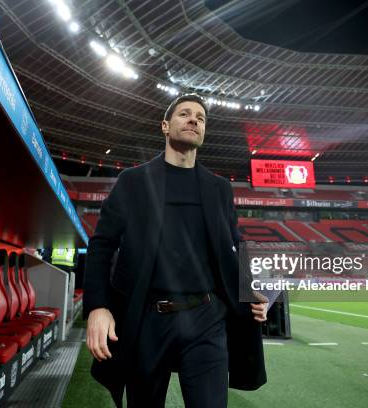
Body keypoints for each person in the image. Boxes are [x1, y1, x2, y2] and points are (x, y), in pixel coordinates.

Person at [83, 93, 268, 408]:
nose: (194, 119)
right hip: (147, 319)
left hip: (207, 317)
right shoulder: (133, 181)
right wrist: (97, 308)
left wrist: (250, 292)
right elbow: (102, 245)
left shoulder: (219, 189)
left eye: (201, 117)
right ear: (166, 126)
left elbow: (234, 245)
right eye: (185, 114)